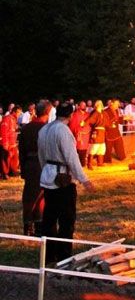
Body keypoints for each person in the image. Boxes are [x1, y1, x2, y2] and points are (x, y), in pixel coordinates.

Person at [38, 102, 95, 263]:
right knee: (66, 219)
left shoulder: (44, 129)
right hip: (62, 181)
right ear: (70, 116)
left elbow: (41, 155)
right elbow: (71, 157)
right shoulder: (63, 131)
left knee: (49, 218)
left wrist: (45, 171)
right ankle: (63, 255)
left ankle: (49, 254)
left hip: (48, 177)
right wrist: (84, 179)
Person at [19, 100, 50, 235]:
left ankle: (36, 225)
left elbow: (21, 151)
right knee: (34, 196)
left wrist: (23, 168)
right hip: (40, 163)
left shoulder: (26, 128)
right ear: (47, 113)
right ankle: (31, 226)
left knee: (37, 195)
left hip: (30, 164)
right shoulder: (45, 128)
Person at [1, 104, 22, 178]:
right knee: (6, 158)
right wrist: (5, 144)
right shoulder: (7, 118)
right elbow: (4, 131)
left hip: (13, 143)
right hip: (7, 143)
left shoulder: (14, 119)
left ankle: (13, 171)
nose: (19, 115)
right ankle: (5, 173)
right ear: (14, 112)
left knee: (14, 158)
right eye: (18, 113)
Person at [85, 101, 106, 169]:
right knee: (94, 147)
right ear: (96, 105)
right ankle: (89, 163)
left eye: (101, 104)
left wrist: (111, 125)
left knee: (102, 147)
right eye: (98, 104)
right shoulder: (95, 113)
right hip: (96, 131)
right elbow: (90, 120)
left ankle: (100, 162)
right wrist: (84, 123)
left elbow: (107, 120)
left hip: (102, 132)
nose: (100, 105)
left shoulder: (103, 113)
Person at [69, 102, 91, 166]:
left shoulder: (88, 114)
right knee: (78, 148)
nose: (83, 106)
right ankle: (77, 163)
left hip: (86, 134)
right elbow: (72, 125)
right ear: (79, 106)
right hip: (78, 134)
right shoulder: (75, 114)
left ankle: (83, 162)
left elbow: (90, 124)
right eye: (82, 105)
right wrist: (75, 131)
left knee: (85, 149)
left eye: (84, 105)